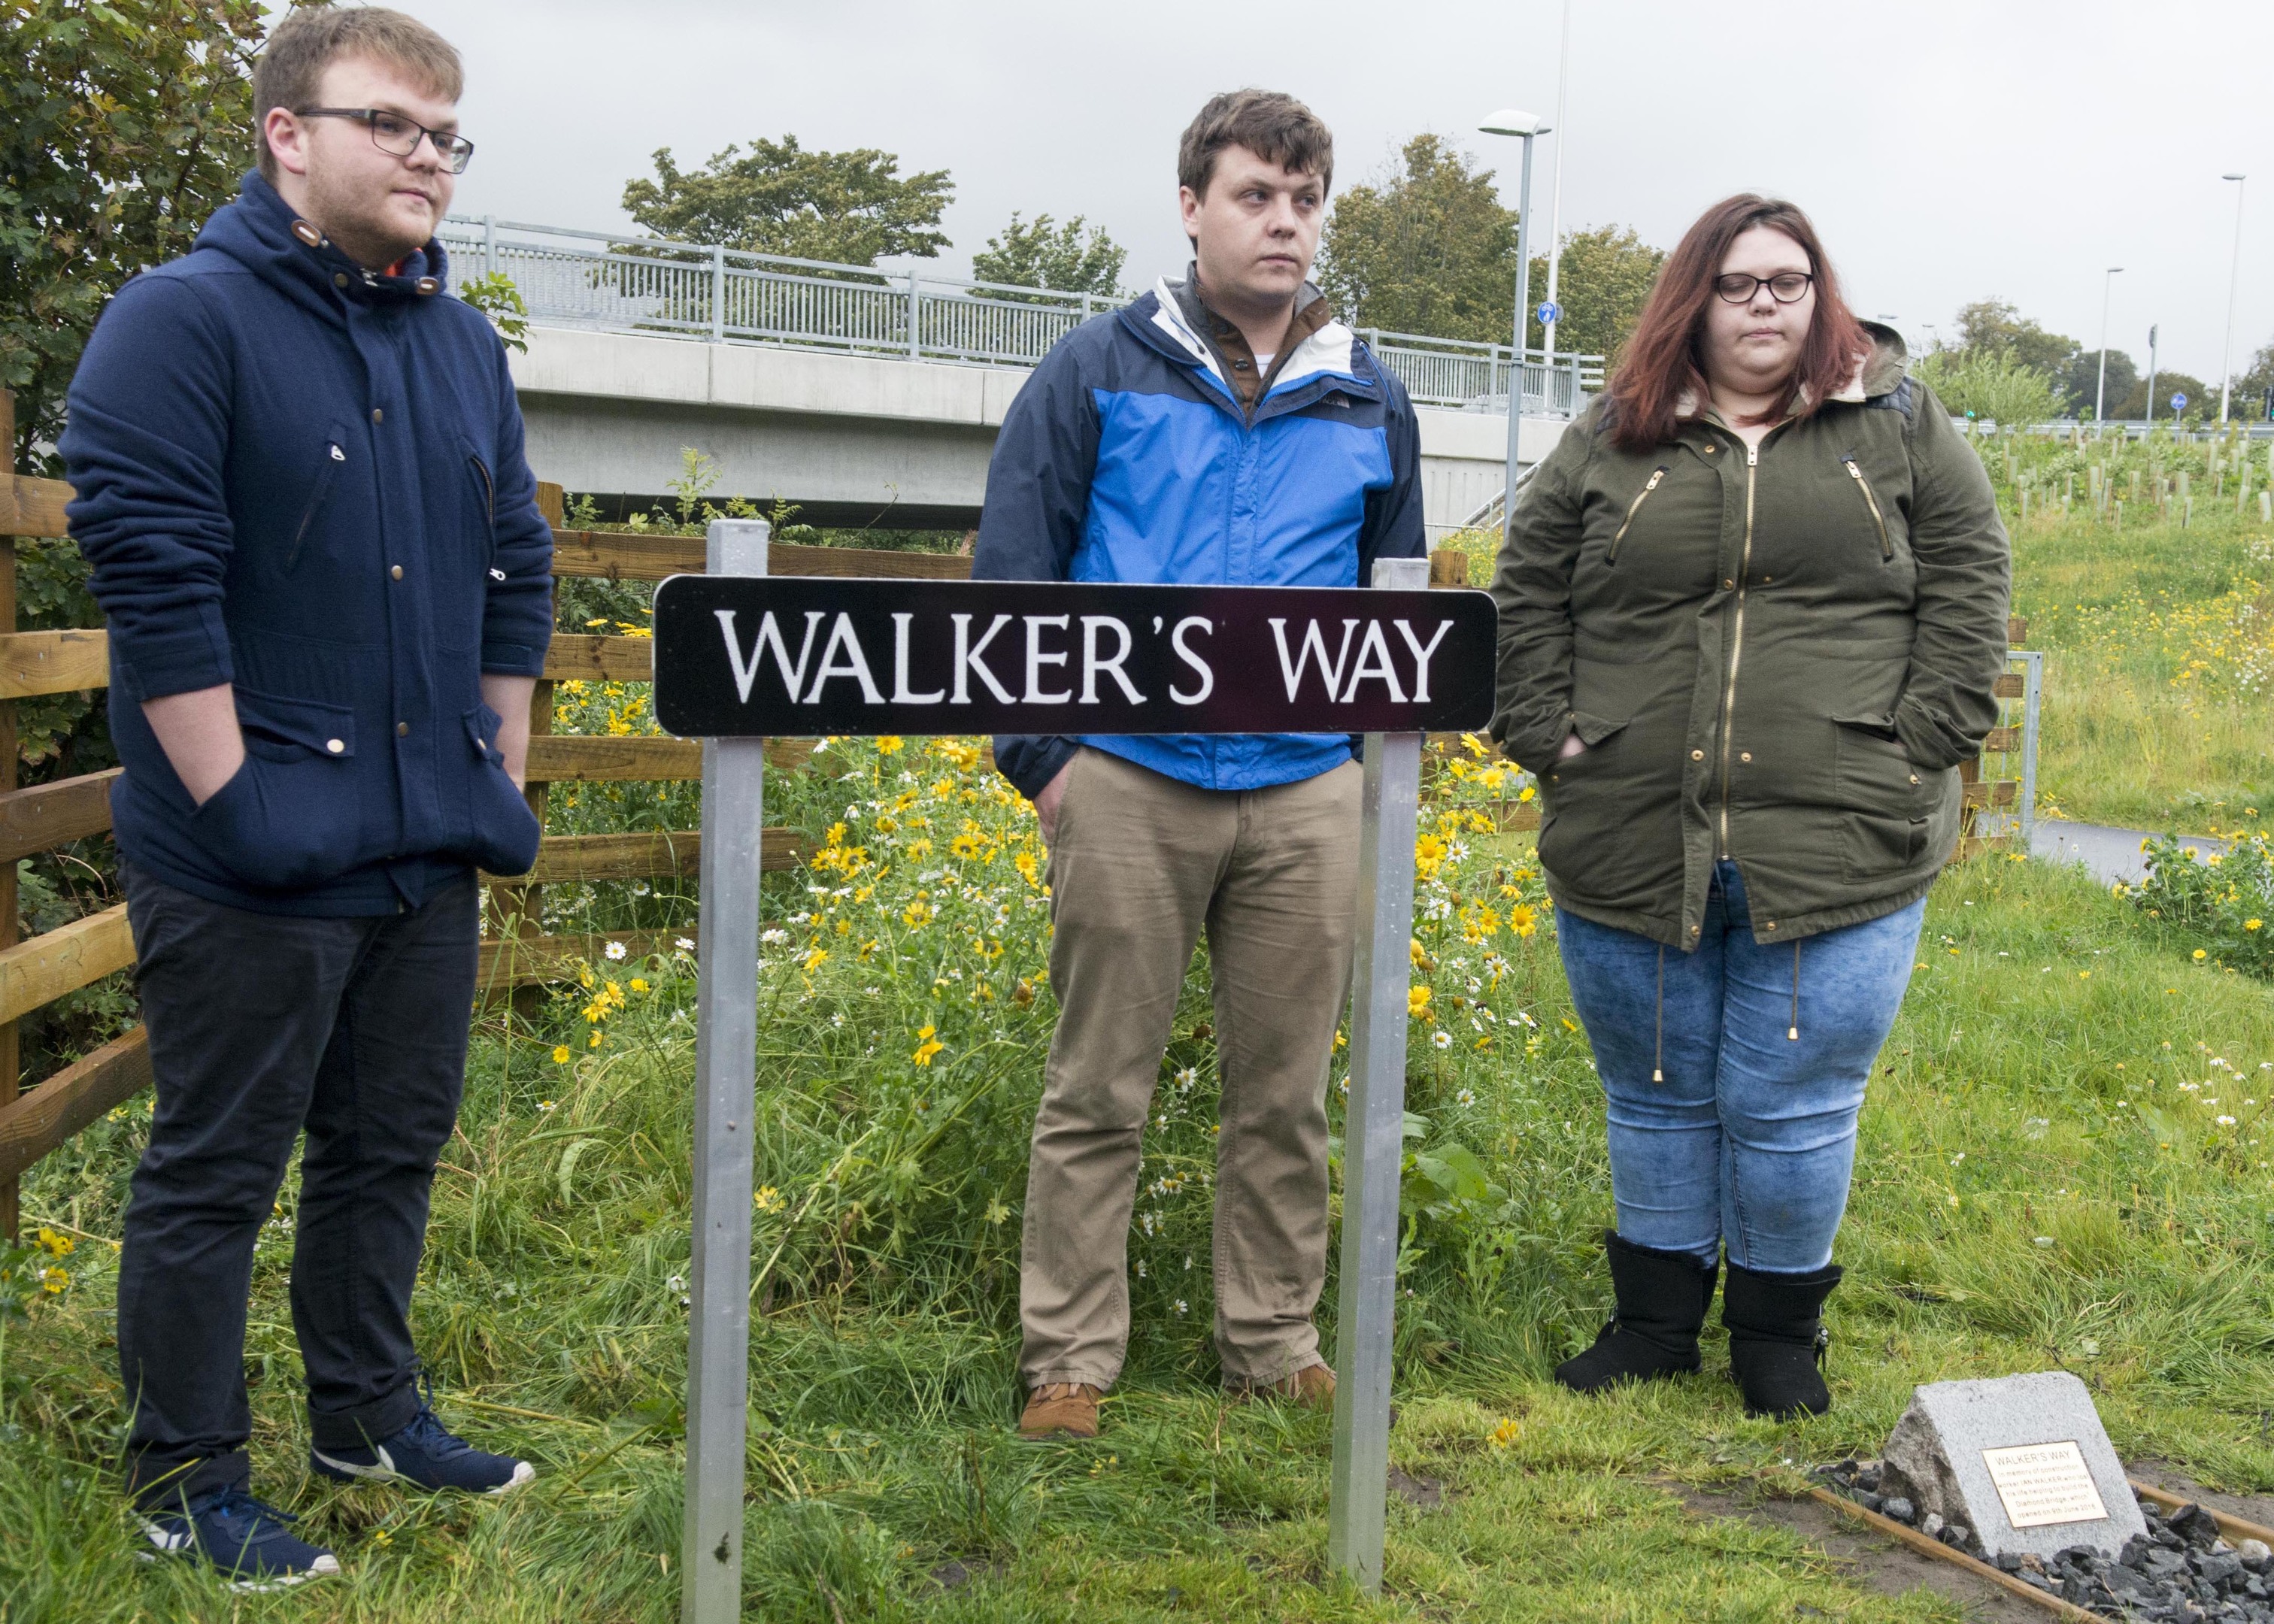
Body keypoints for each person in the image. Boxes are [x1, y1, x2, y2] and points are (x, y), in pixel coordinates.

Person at [60, 7, 553, 1587]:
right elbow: (154, 576)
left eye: (446, 136)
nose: (429, 159)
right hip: (251, 853)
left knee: (387, 1148)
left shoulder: (459, 342)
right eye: (394, 127)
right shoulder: (180, 320)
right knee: (219, 1164)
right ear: (287, 133)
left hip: (425, 843)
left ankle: (365, 1416)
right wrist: (236, 804)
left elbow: (518, 573)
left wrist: (502, 769)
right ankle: (187, 1480)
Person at [1489, 195, 2009, 1419]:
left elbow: (1973, 580)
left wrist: (1920, 747)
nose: (1766, 303)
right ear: (1695, 301)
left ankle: (1779, 1340)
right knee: (1654, 1082)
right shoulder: (1612, 438)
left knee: (1797, 1096)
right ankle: (1655, 1325)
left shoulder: (1902, 426)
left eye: (1789, 281)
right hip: (1627, 821)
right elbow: (1527, 587)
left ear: (1820, 296)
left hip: (1843, 831)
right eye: (1739, 283)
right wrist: (1544, 733)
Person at [975, 88, 1426, 1441]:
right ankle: (1069, 1359)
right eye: (1254, 196)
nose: (1283, 222)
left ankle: (1271, 1338)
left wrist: (1352, 770)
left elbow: (1395, 603)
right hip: (1126, 777)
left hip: (1303, 793)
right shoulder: (1097, 368)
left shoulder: (1367, 393)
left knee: (1284, 1094)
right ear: (1191, 207)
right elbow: (1013, 574)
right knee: (1096, 1086)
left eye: (1303, 201)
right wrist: (1047, 763)